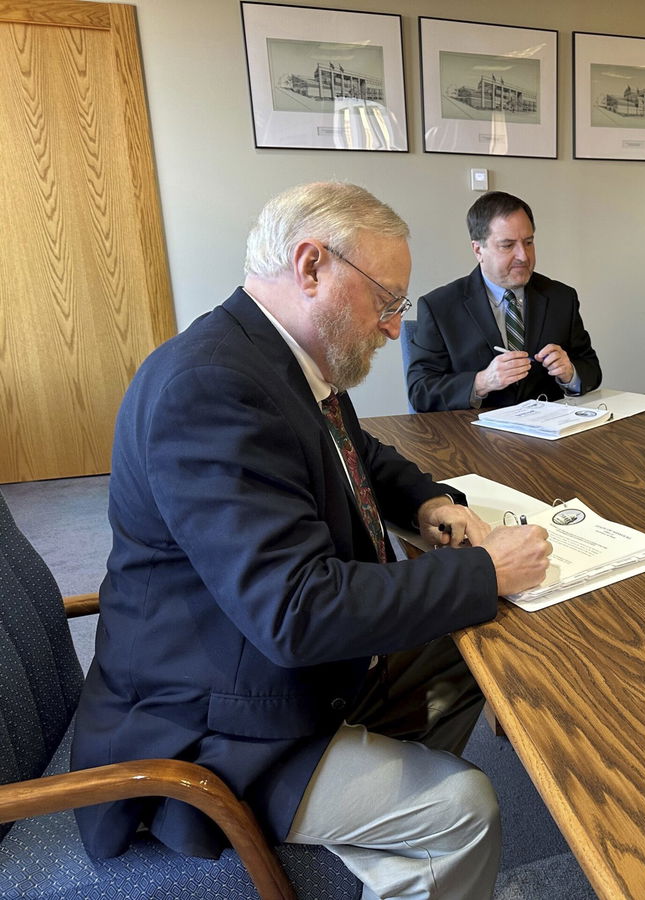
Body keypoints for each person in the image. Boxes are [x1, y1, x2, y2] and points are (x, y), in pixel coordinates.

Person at [71, 182, 552, 900]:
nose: (395, 329)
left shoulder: (281, 356)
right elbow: (297, 613)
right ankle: (415, 835)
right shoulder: (207, 388)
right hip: (212, 730)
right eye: (387, 303)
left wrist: (427, 504)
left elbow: (362, 454)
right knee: (465, 809)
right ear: (310, 266)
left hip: (274, 671)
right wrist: (484, 571)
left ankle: (387, 838)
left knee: (469, 651)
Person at [407, 191, 602, 411]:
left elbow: (591, 368)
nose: (524, 256)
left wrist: (570, 374)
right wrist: (482, 382)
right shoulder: (439, 307)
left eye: (528, 242)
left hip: (550, 436)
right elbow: (420, 391)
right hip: (473, 437)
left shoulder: (561, 298)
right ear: (478, 250)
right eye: (507, 245)